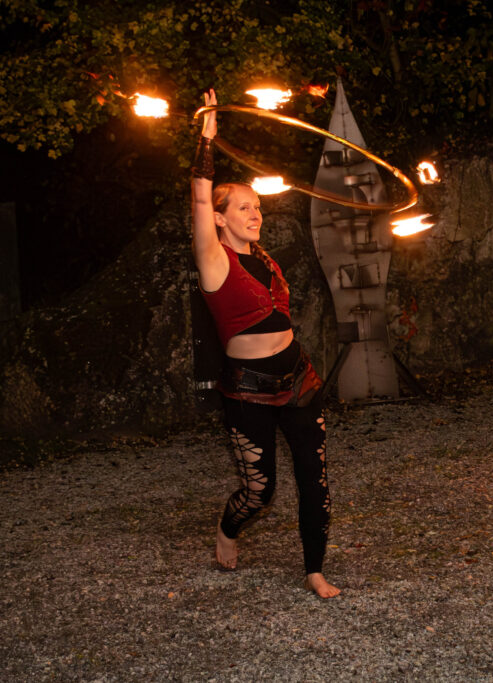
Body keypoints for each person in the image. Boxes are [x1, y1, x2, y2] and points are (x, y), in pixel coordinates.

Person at [190, 89, 340, 599]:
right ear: (219, 217)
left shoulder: (264, 256)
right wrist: (207, 141)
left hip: (299, 379)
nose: (255, 214)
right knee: (260, 492)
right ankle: (228, 528)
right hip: (248, 391)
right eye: (243, 207)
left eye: (258, 207)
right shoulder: (214, 262)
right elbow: (199, 199)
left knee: (314, 478)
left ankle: (314, 570)